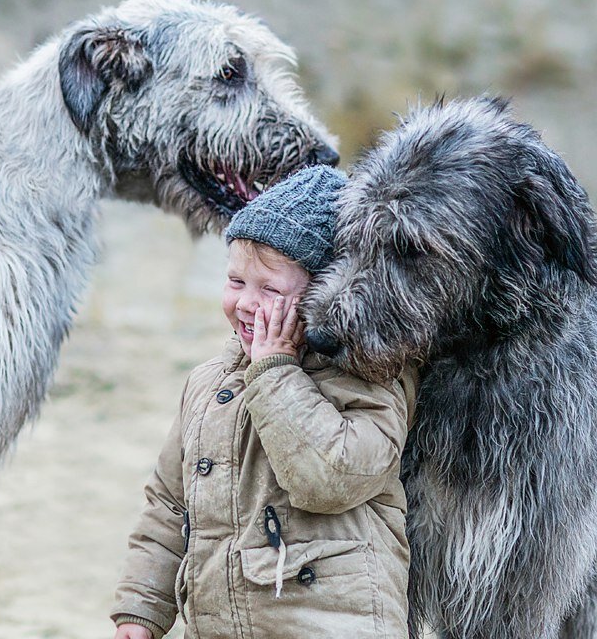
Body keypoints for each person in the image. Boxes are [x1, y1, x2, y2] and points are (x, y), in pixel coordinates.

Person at [110, 164, 417, 638]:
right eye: (235, 282)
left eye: (270, 289)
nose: (246, 303)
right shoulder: (208, 383)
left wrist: (275, 373)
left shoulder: (368, 373)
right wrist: (140, 610)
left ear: (327, 293)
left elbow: (334, 477)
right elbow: (168, 506)